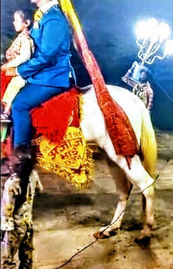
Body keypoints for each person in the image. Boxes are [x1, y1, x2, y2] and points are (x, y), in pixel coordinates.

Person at [3, 0, 73, 170]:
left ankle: (22, 155)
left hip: (52, 77)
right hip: (40, 75)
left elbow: (46, 56)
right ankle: (8, 152)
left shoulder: (54, 19)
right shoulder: (42, 16)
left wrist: (19, 70)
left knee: (20, 104)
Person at [1, 169, 42, 269]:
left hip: (14, 226)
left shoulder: (12, 183)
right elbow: (39, 190)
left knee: (8, 261)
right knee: (27, 258)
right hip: (27, 223)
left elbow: (7, 210)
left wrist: (4, 230)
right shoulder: (33, 174)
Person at [1, 10, 34, 123]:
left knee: (15, 89)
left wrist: (9, 65)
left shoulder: (26, 39)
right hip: (16, 72)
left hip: (23, 72)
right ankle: (5, 111)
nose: (14, 23)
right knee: (10, 89)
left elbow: (25, 57)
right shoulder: (20, 37)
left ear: (26, 23)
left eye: (16, 20)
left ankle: (7, 113)